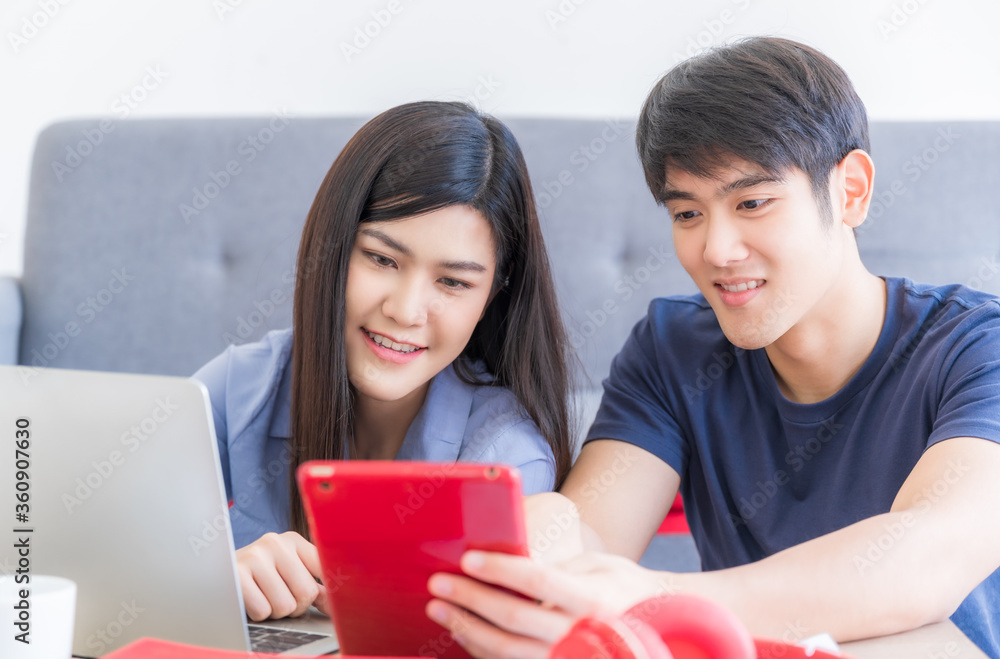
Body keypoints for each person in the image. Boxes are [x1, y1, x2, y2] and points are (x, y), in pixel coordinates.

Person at [425, 37, 1000, 659]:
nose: (717, 251)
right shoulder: (674, 349)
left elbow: (928, 552)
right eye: (688, 214)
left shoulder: (976, 348)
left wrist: (660, 600)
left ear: (850, 190)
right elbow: (594, 532)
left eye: (752, 202)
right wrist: (547, 544)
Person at [193, 101, 573, 622]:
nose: (404, 310)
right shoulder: (242, 385)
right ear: (333, 249)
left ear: (493, 297)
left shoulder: (504, 458)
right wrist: (210, 581)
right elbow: (104, 541)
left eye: (454, 282)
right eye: (381, 259)